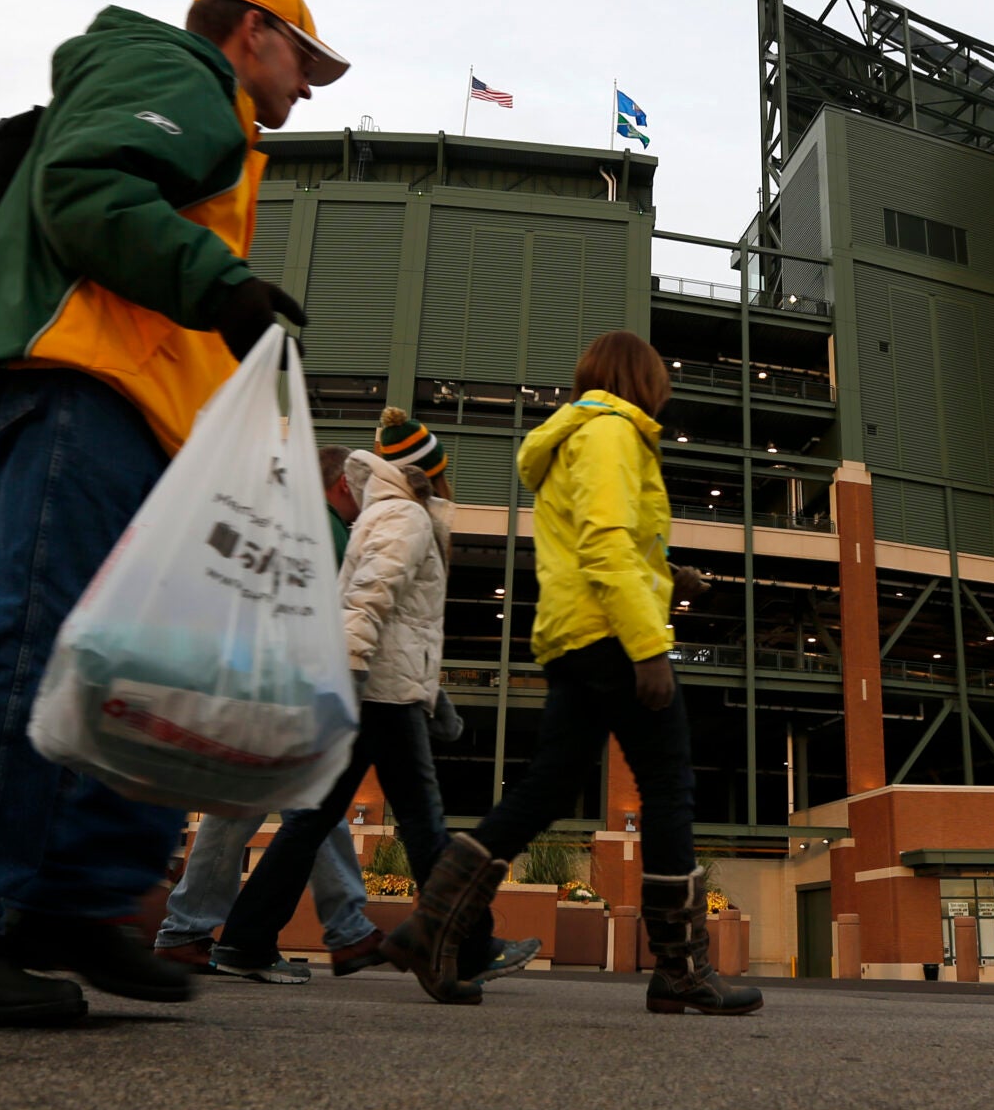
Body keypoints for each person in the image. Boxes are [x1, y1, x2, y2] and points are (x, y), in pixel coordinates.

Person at [0, 0, 335, 1027]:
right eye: (306, 57)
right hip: (86, 391)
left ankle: (64, 903)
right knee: (34, 649)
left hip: (133, 403)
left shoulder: (216, 114)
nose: (311, 87)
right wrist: (222, 288)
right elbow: (88, 190)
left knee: (134, 659)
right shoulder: (178, 74)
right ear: (253, 32)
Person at [383, 331, 758, 1016]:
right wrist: (648, 646)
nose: (667, 387)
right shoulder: (614, 433)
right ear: (638, 378)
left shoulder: (575, 438)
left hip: (573, 636)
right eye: (661, 374)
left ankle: (433, 923)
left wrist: (672, 575)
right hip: (614, 638)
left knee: (544, 788)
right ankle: (680, 969)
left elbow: (604, 537)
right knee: (669, 786)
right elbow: (606, 542)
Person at [213, 418, 537, 984]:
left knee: (313, 821)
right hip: (378, 695)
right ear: (431, 473)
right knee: (423, 825)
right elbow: (368, 599)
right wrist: (357, 675)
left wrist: (427, 694)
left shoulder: (386, 513)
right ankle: (469, 945)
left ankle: (244, 941)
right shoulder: (406, 517)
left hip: (378, 688)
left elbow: (394, 618)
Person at [154, 445, 394, 983]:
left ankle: (188, 933)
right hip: (286, 694)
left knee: (252, 811)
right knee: (308, 810)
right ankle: (346, 928)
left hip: (254, 687)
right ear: (341, 487)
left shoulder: (282, 524)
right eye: (360, 493)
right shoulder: (327, 534)